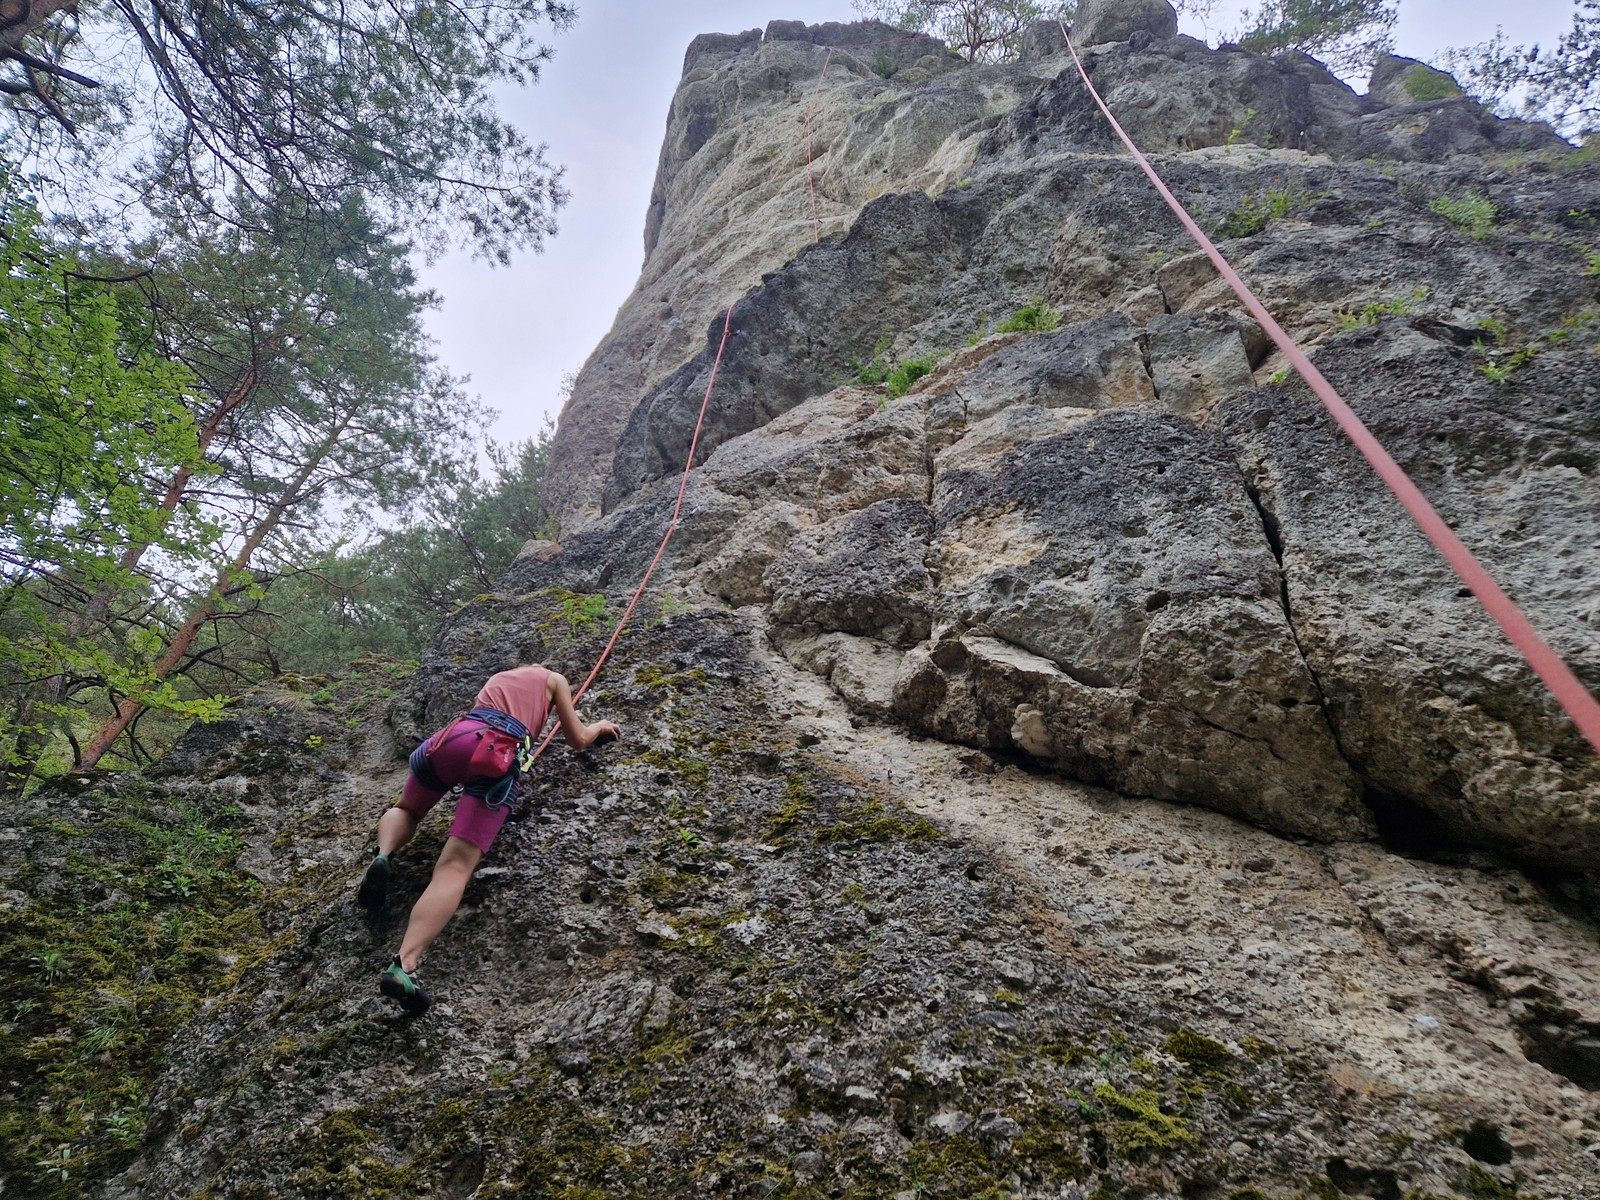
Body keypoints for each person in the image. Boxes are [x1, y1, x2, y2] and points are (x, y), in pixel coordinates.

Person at [357, 664, 621, 1014]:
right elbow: (578, 739)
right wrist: (598, 727)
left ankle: (384, 854)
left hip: (454, 738)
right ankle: (403, 964)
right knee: (455, 865)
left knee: (407, 808)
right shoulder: (554, 680)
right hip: (496, 751)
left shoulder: (498, 677)